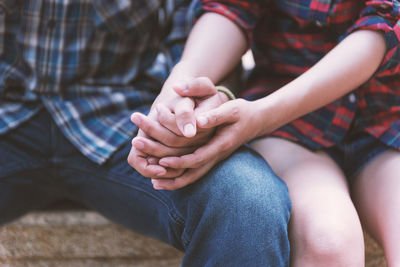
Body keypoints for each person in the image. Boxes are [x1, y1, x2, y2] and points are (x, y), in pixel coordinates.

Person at [0, 0, 292, 266]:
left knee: (246, 198)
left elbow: (208, 42)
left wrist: (199, 109)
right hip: (7, 114)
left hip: (130, 119)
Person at [133, 0, 400, 266]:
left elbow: (383, 26)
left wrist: (261, 115)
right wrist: (181, 84)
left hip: (387, 122)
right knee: (327, 244)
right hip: (293, 122)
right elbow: (233, 7)